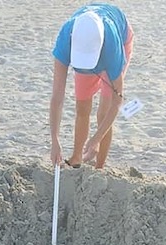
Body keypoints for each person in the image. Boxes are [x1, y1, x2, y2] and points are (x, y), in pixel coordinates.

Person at [50, 4, 133, 169]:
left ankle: (99, 167)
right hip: (87, 45)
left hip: (118, 40)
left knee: (103, 112)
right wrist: (55, 140)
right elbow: (57, 97)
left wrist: (96, 139)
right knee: (82, 107)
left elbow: (118, 102)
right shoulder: (66, 38)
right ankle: (76, 157)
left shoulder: (113, 47)